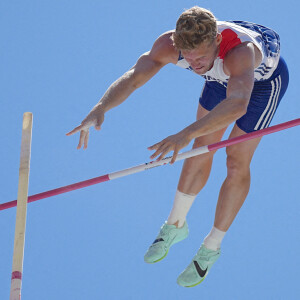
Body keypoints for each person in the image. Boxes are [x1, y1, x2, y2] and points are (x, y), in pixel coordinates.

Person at [66, 6, 289, 287]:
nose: (195, 65)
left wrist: (183, 133)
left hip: (260, 84)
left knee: (235, 158)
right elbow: (136, 76)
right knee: (203, 144)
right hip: (221, 79)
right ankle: (175, 225)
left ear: (217, 42)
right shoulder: (170, 45)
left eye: (201, 58)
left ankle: (211, 247)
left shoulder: (239, 52)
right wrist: (101, 107)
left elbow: (237, 105)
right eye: (190, 58)